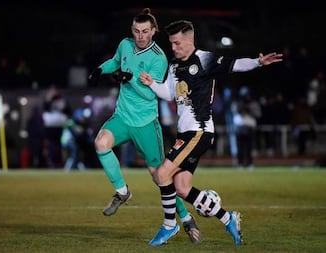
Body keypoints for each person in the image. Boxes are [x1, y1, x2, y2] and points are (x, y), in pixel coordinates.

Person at [139, 20, 283, 246]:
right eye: (171, 44)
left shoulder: (206, 59)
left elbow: (235, 64)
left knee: (161, 175)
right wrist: (151, 83)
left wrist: (258, 62)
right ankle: (229, 219)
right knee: (181, 188)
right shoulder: (175, 66)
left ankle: (170, 226)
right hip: (185, 134)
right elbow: (168, 94)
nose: (174, 48)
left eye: (177, 43)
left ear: (190, 40)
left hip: (199, 131)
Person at [88, 9, 202, 243]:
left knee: (160, 176)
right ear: (132, 31)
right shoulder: (125, 45)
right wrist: (101, 69)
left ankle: (185, 217)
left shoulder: (158, 58)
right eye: (137, 31)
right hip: (122, 117)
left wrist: (127, 80)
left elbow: (153, 95)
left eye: (145, 32)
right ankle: (123, 192)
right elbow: (115, 62)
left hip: (145, 123)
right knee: (100, 143)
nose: (140, 36)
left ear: (153, 31)